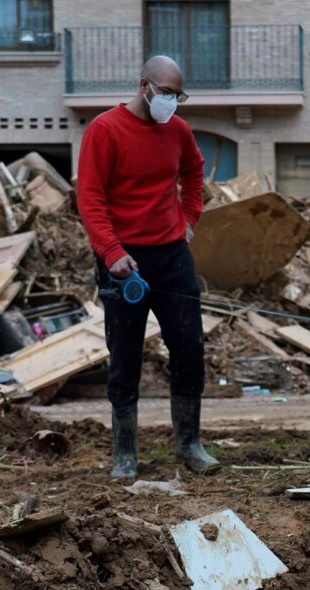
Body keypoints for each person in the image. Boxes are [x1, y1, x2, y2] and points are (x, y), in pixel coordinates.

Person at [77, 55, 219, 480]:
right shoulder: (105, 130)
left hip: (172, 256)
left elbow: (194, 175)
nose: (171, 102)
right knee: (125, 356)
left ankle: (189, 443)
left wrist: (189, 219)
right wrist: (111, 252)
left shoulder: (178, 130)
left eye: (178, 95)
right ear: (144, 86)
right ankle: (125, 454)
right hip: (124, 262)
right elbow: (90, 198)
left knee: (190, 348)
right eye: (165, 93)